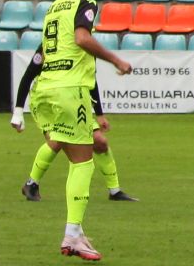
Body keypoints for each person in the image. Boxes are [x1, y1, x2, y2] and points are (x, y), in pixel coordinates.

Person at [32, 0, 130, 262]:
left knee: (73, 152)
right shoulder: (84, 3)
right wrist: (115, 59)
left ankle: (75, 231)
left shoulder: (53, 8)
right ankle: (72, 234)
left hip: (46, 88)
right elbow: (82, 38)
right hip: (69, 90)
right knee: (83, 162)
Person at [14, 42, 133, 204]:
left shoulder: (87, 47)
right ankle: (31, 183)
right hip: (45, 98)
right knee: (57, 141)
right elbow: (28, 75)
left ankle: (115, 191)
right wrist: (18, 111)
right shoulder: (49, 44)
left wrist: (99, 114)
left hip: (74, 97)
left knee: (100, 142)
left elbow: (90, 79)